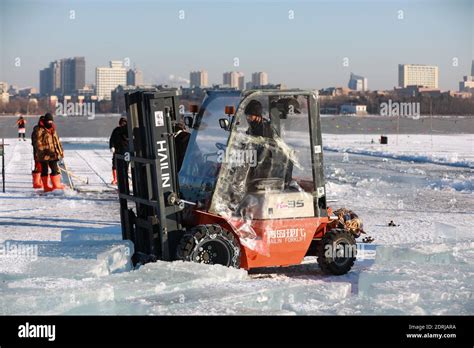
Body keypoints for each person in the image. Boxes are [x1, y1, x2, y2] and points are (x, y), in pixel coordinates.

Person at [35, 113, 65, 192]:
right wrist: (44, 153)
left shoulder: (53, 129)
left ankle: (56, 185)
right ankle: (46, 187)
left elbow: (57, 141)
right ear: (45, 121)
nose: (50, 123)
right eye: (49, 121)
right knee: (44, 170)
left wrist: (61, 151)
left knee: (55, 169)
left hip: (53, 154)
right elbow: (38, 144)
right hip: (44, 155)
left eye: (51, 121)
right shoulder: (39, 130)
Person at [109, 117, 129, 185]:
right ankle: (115, 179)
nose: (122, 125)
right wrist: (112, 146)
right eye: (121, 123)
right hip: (117, 150)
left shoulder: (128, 130)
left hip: (126, 150)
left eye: (124, 123)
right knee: (114, 164)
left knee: (125, 165)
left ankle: (125, 179)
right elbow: (112, 139)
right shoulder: (116, 130)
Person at [30, 116, 45, 189]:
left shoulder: (46, 130)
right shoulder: (36, 130)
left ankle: (42, 182)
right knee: (38, 166)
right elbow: (34, 142)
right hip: (38, 152)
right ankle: (36, 183)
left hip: (45, 153)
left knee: (44, 167)